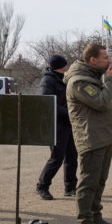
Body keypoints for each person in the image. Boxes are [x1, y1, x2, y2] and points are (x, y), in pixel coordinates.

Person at [64, 43, 112, 224]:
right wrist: (111, 81)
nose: (109, 61)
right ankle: (86, 223)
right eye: (105, 57)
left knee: (100, 182)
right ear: (93, 60)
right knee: (88, 183)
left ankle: (97, 217)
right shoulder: (79, 81)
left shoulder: (92, 77)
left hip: (103, 137)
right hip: (91, 138)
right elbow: (102, 102)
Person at [35, 55, 78, 200]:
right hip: (56, 125)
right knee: (56, 158)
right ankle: (42, 186)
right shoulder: (47, 81)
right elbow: (48, 104)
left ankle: (70, 187)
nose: (67, 66)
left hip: (69, 124)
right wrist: (69, 113)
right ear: (61, 66)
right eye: (65, 65)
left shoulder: (63, 79)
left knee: (72, 157)